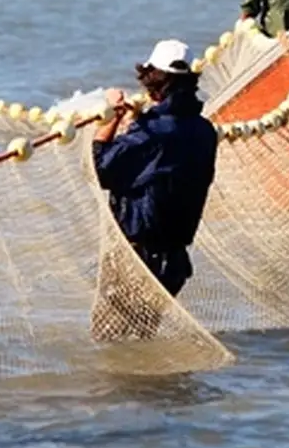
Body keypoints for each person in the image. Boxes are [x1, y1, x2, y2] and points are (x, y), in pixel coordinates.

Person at [90, 39, 218, 340]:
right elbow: (162, 162)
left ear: (152, 81)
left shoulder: (153, 132)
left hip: (136, 259)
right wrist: (140, 120)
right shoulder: (204, 130)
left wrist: (112, 116)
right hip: (173, 264)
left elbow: (101, 169)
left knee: (109, 343)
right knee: (140, 341)